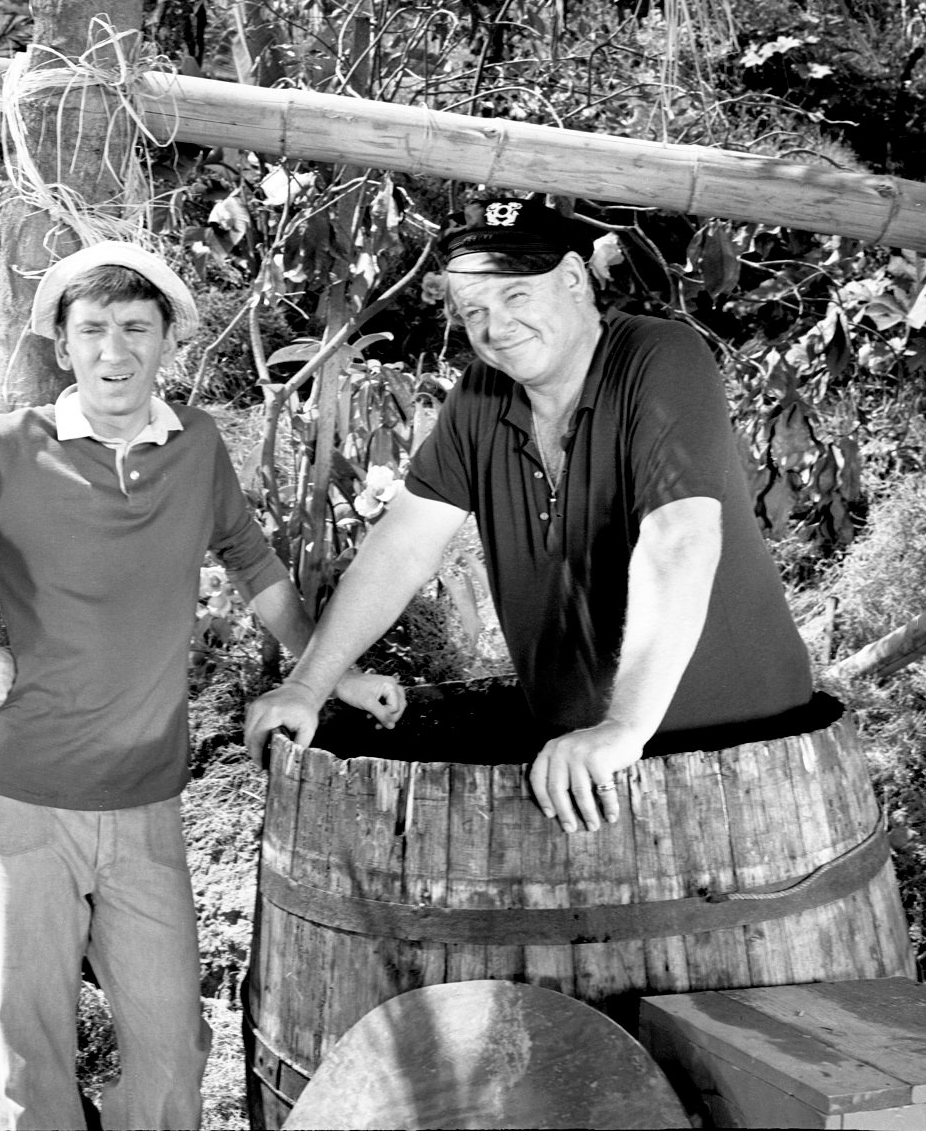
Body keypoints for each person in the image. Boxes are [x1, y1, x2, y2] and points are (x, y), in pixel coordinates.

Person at [0, 241, 404, 1131]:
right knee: (31, 1059)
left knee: (172, 1057)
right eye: (93, 331)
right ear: (62, 343)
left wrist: (331, 673)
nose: (114, 353)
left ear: (168, 340)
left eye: (135, 328)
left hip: (147, 804)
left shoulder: (196, 445)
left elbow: (250, 560)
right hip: (26, 801)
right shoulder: (8, 448)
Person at [246, 194, 817, 834]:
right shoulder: (481, 397)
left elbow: (678, 538)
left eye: (517, 295)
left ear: (573, 279)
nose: (496, 326)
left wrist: (623, 727)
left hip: (742, 753)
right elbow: (402, 546)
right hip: (576, 758)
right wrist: (308, 686)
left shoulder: (660, 357)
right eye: (475, 311)